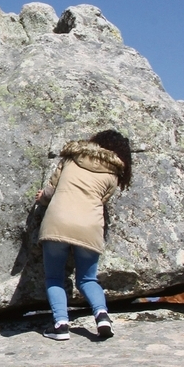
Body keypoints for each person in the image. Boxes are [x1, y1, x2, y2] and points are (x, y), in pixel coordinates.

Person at [34, 130, 133, 341]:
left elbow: (51, 191)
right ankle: (102, 316)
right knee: (87, 279)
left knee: (54, 278)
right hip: (89, 226)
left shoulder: (71, 159)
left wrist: (42, 198)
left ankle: (61, 325)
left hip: (57, 222)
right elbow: (102, 200)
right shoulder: (113, 173)